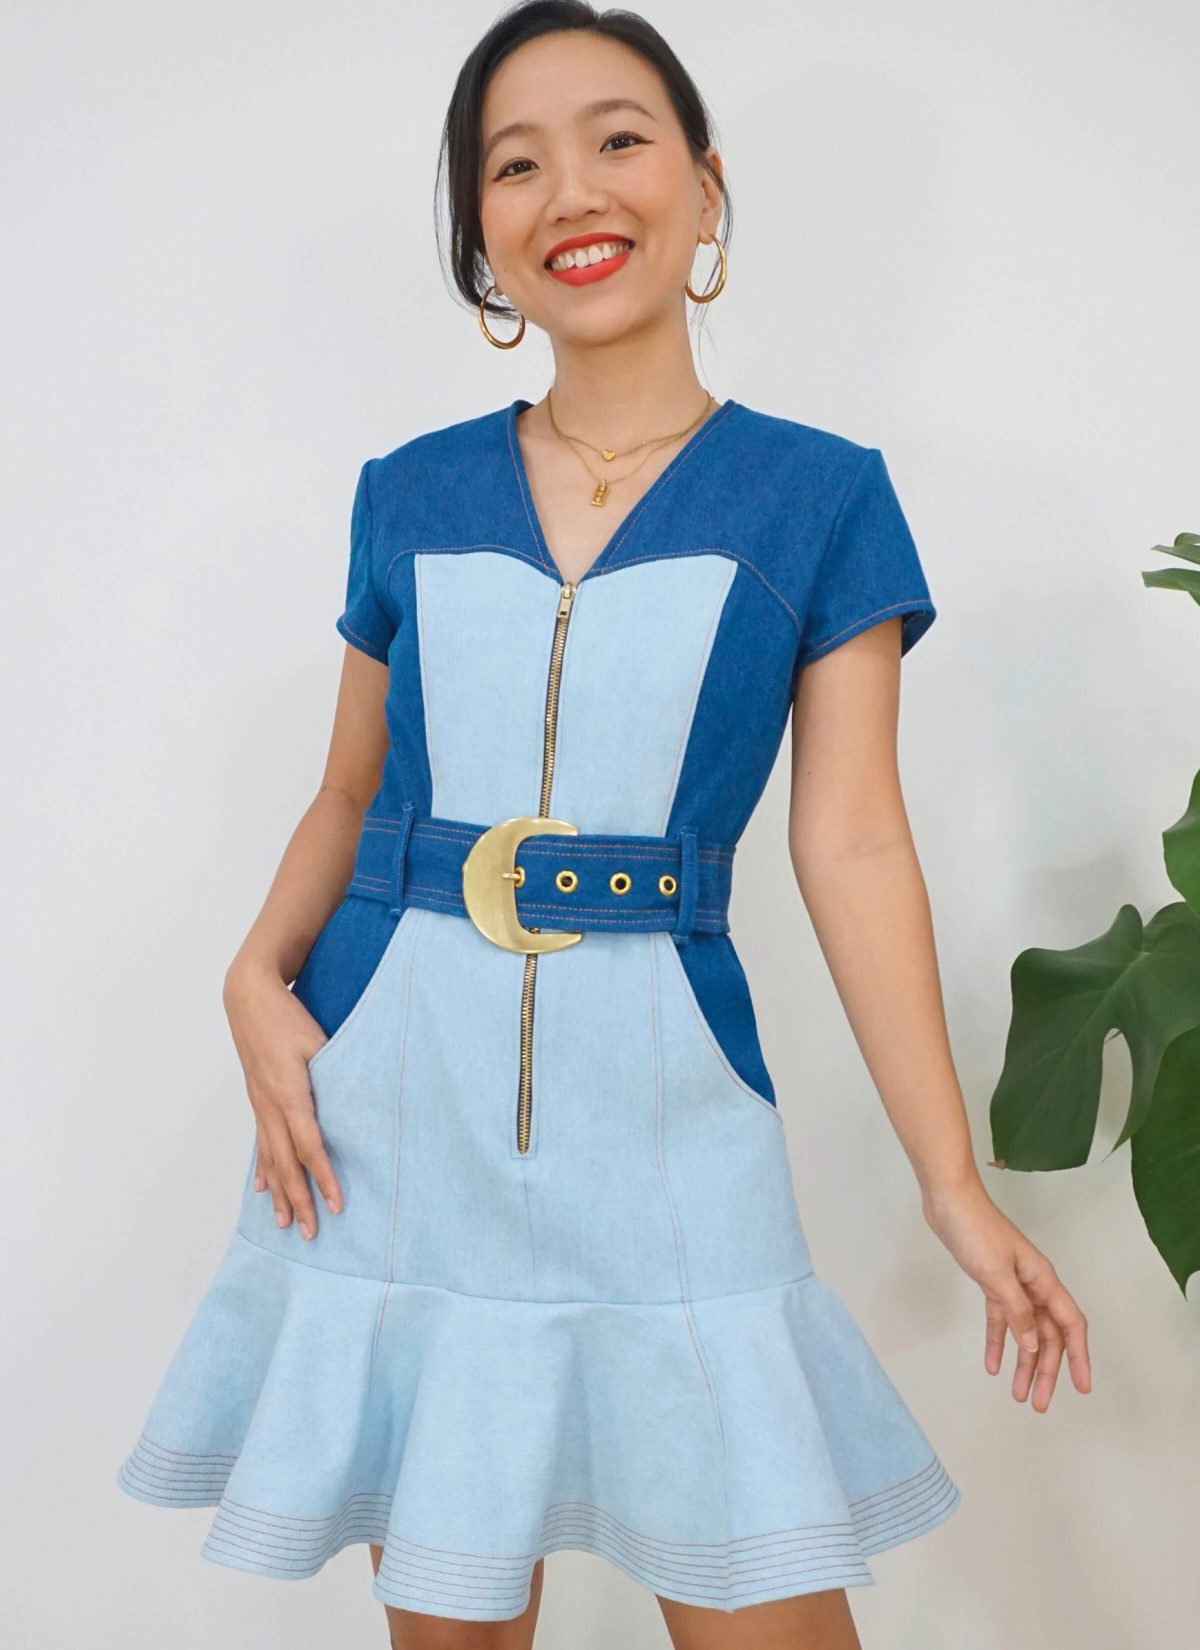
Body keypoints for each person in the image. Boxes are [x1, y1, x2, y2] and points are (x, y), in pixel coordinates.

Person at [116, 3, 1092, 1646]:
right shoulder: (409, 490)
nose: (571, 189)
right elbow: (351, 790)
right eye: (515, 164)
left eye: (618, 140)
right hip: (400, 1112)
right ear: (482, 237)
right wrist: (251, 976)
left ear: (703, 189)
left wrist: (952, 1185)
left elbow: (853, 842)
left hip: (668, 1120)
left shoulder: (821, 495)